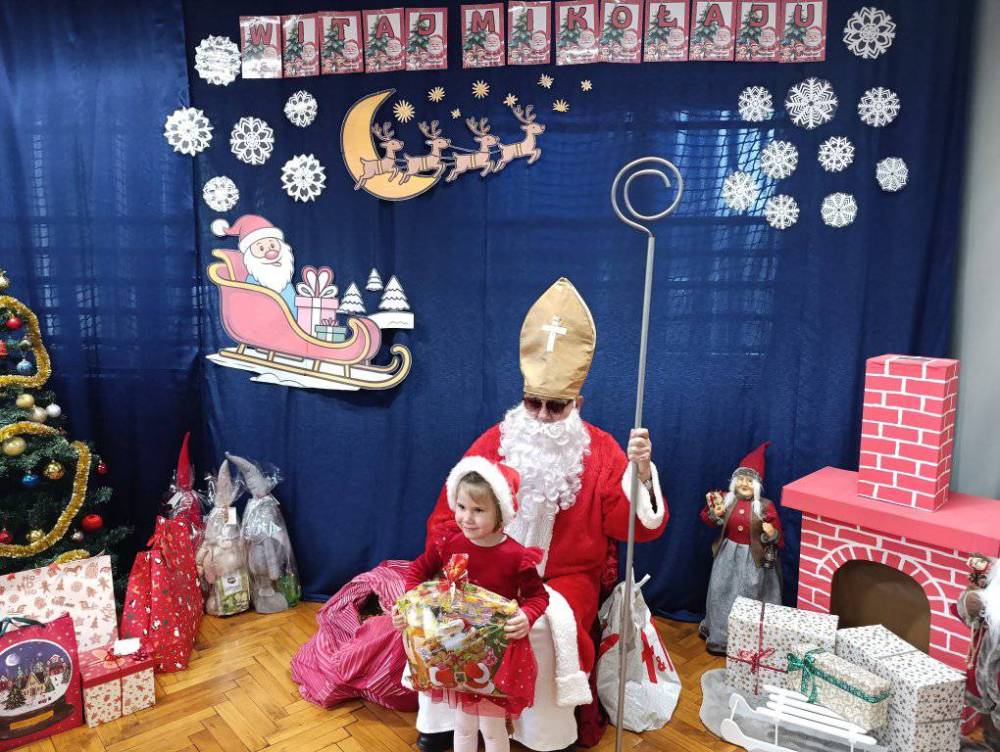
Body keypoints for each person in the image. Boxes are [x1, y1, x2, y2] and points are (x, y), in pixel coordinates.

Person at [417, 278, 669, 752]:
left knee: (539, 628)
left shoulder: (601, 451)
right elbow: (449, 516)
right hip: (483, 569)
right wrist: (450, 572)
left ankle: (543, 736)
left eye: (557, 406)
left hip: (563, 578)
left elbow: (632, 528)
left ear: (577, 404)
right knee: (452, 613)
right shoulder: (497, 440)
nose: (544, 416)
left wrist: (640, 474)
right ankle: (448, 724)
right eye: (535, 403)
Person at [394, 457, 549, 752]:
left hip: (495, 655)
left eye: (478, 510)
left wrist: (527, 616)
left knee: (492, 729)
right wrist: (408, 606)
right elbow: (417, 572)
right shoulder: (450, 543)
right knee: (463, 725)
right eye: (462, 506)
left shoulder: (515, 555)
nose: (466, 517)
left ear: (500, 513)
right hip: (455, 652)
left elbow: (539, 596)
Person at [698, 441, 782, 655]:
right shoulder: (726, 500)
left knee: (750, 596)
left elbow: (777, 536)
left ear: (757, 485)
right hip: (727, 556)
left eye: (749, 480)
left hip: (754, 559)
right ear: (735, 482)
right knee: (721, 593)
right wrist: (714, 514)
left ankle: (748, 642)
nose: (744, 483)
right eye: (741, 479)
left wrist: (770, 532)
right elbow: (708, 518)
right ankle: (720, 637)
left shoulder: (765, 506)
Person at [211, 214, 297, 313]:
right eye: (261, 248)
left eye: (272, 245)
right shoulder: (254, 282)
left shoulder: (284, 280)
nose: (270, 251)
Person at [957, 556, 1000, 751]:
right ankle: (989, 740)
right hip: (984, 675)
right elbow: (970, 617)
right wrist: (970, 600)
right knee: (988, 717)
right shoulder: (992, 584)